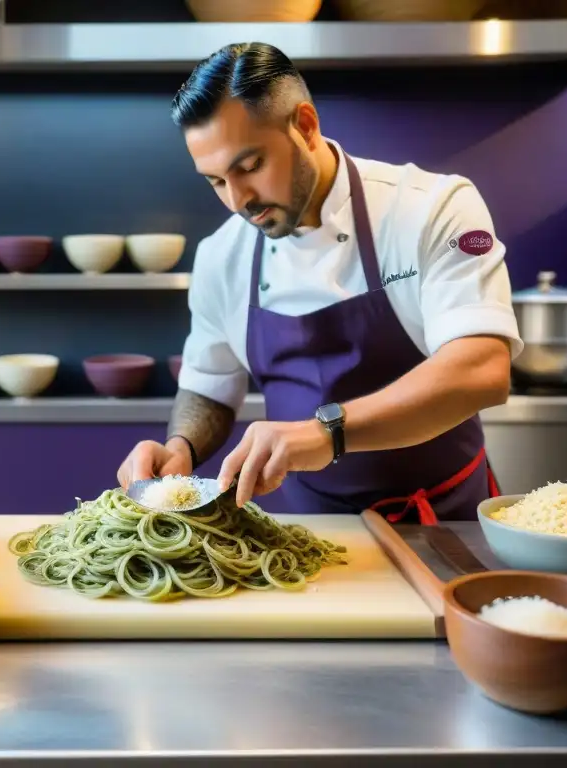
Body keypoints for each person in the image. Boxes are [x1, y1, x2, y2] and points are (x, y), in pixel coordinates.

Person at [116, 42, 523, 525]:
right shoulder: (220, 257)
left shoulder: (431, 206)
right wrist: (180, 447)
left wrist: (325, 432)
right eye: (216, 181)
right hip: (314, 528)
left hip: (448, 517)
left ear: (305, 126)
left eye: (249, 168)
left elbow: (480, 369)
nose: (237, 200)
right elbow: (209, 385)